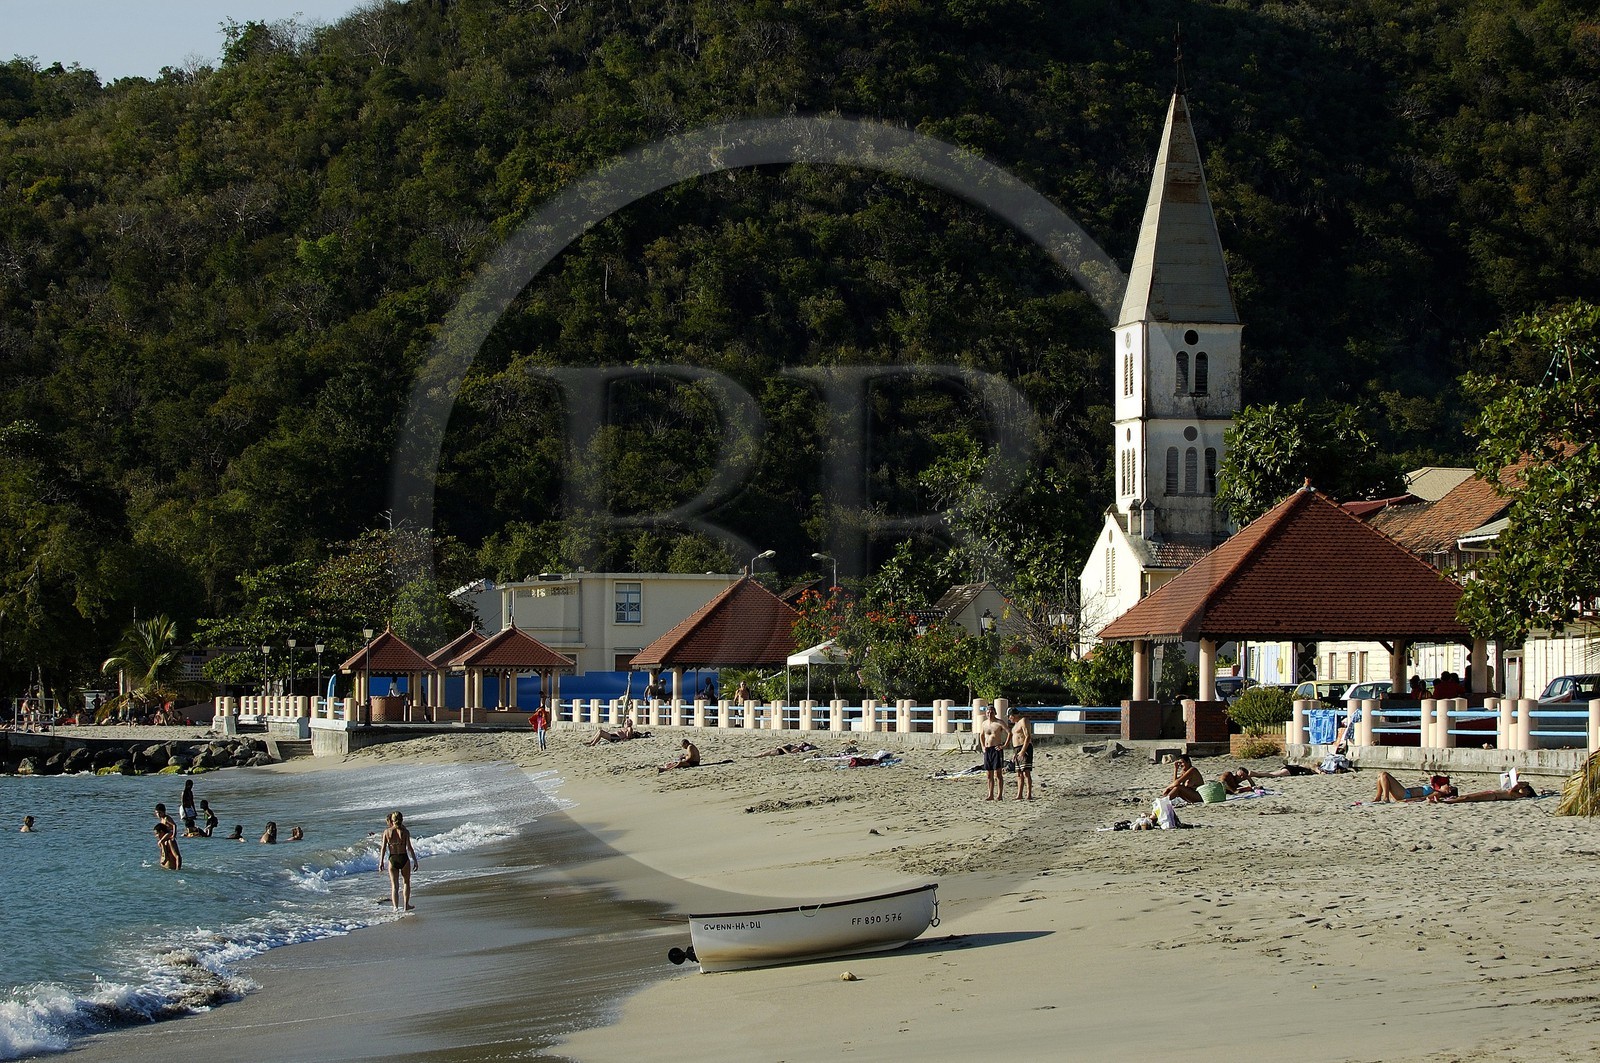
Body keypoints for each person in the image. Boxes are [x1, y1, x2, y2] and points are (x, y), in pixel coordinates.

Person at [379, 810, 419, 911]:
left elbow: (383, 848)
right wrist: (415, 860)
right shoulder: (405, 832)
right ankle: (406, 906)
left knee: (395, 885)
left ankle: (395, 908)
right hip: (404, 858)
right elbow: (409, 848)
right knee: (406, 882)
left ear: (392, 820)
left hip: (393, 858)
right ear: (402, 819)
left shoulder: (387, 832)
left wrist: (381, 862)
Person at [978, 706, 1010, 801]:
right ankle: (990, 794)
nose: (989, 714)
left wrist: (1004, 745)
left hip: (996, 749)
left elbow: (1009, 732)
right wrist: (983, 746)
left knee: (998, 773)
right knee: (989, 774)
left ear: (995, 713)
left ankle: (999, 795)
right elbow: (981, 735)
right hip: (988, 750)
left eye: (991, 712)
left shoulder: (999, 722)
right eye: (988, 712)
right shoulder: (984, 723)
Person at [1371, 771, 1456, 803]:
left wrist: (1407, 800)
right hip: (1404, 793)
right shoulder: (1435, 789)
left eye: (1449, 786)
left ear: (1448, 791)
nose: (1448, 785)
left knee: (1384, 775)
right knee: (1380, 776)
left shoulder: (1437, 793)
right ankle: (1378, 797)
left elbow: (1424, 798)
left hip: (1405, 795)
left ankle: (1385, 798)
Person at [1007, 707, 1034, 800]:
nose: (1009, 718)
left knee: (1026, 772)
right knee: (1019, 773)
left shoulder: (1023, 721)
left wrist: (1023, 751)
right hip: (1017, 749)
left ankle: (1029, 794)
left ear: (1014, 715)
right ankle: (1019, 794)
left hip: (1025, 747)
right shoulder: (1014, 726)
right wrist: (1015, 753)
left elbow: (1028, 736)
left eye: (1010, 716)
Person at [1432, 781, 1537, 803]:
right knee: (1466, 796)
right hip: (1491, 794)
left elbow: (1513, 788)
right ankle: (1443, 800)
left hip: (1493, 796)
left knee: (1467, 798)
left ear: (1527, 793)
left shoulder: (1518, 795)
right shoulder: (1517, 793)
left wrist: (1522, 784)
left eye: (1524, 788)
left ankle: (1444, 802)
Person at [154, 803, 182, 870]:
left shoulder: (167, 818)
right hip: (165, 834)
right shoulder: (162, 820)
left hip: (169, 833)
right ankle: (166, 856)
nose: (158, 815)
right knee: (161, 842)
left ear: (164, 812)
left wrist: (173, 835)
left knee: (161, 842)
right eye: (157, 813)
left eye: (159, 813)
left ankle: (166, 857)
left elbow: (174, 825)